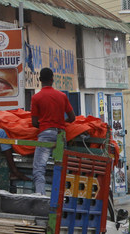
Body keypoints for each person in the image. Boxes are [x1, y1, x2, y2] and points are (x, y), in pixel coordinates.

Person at [31, 67, 76, 195]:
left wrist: (46, 123)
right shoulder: (62, 96)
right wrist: (61, 123)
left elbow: (34, 122)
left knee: (39, 169)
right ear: (52, 80)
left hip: (45, 135)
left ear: (40, 80)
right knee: (61, 169)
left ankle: (41, 197)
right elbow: (72, 118)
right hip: (61, 135)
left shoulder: (36, 98)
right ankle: (60, 199)